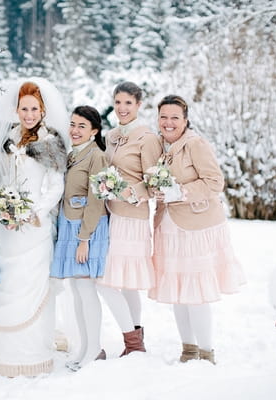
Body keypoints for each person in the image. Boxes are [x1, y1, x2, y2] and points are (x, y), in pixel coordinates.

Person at [0, 79, 69, 377]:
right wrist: (4, 206)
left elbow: (56, 185)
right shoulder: (7, 138)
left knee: (30, 285)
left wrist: (36, 211)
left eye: (34, 109)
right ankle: (1, 351)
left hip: (34, 224)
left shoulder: (50, 141)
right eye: (24, 108)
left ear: (43, 110)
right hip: (6, 223)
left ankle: (30, 353)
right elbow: (1, 176)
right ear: (16, 110)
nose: (29, 114)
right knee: (5, 283)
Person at [148, 95, 245, 364]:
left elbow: (215, 182)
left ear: (185, 120)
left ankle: (206, 351)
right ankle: (188, 349)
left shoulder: (195, 144)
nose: (168, 123)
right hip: (167, 226)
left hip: (195, 227)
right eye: (163, 117)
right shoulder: (159, 146)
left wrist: (180, 191)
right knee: (177, 290)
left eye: (174, 118)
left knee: (196, 291)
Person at [97, 82, 162, 356]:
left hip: (132, 217)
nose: (122, 108)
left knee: (108, 282)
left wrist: (128, 192)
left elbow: (155, 183)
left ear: (138, 105)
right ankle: (135, 343)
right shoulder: (111, 135)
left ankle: (133, 342)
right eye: (118, 102)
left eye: (128, 103)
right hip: (110, 214)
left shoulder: (147, 137)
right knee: (123, 282)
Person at [50, 105, 108, 371]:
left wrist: (85, 238)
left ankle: (95, 348)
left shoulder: (97, 156)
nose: (74, 130)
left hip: (87, 229)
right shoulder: (73, 155)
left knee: (86, 290)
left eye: (82, 126)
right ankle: (85, 347)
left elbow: (97, 199)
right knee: (76, 291)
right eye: (72, 124)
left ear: (94, 131)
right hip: (69, 225)